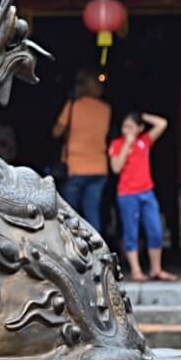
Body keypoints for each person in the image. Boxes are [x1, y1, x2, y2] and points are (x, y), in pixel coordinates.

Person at [109, 111, 174, 281]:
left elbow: (162, 123)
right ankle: (136, 270)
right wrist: (126, 145)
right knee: (131, 233)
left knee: (156, 231)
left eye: (131, 127)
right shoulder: (117, 144)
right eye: (125, 127)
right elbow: (116, 168)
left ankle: (156, 269)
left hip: (147, 192)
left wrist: (142, 115)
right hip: (127, 194)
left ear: (140, 129)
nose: (127, 130)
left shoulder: (144, 141)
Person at [52, 69, 112, 238]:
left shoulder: (73, 106)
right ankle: (98, 255)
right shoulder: (105, 109)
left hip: (76, 167)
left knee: (70, 215)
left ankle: (72, 254)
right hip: (99, 167)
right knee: (93, 214)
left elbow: (56, 132)